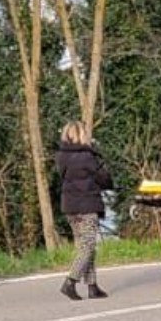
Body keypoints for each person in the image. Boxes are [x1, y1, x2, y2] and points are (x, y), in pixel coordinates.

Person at [55, 120, 112, 301]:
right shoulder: (88, 157)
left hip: (70, 206)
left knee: (84, 246)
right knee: (87, 246)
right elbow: (103, 178)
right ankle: (70, 281)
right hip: (87, 205)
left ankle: (92, 286)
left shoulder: (61, 157)